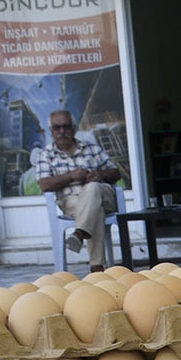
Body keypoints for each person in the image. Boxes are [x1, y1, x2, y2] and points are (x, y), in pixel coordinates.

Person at [30, 110, 120, 265]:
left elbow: (116, 172)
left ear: (74, 128)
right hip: (70, 201)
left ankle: (79, 233)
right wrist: (70, 176)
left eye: (66, 127)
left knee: (92, 188)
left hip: (104, 195)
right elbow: (44, 185)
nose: (62, 131)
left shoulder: (92, 149)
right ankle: (97, 268)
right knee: (94, 210)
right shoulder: (46, 155)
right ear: (51, 130)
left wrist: (100, 174)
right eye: (57, 128)